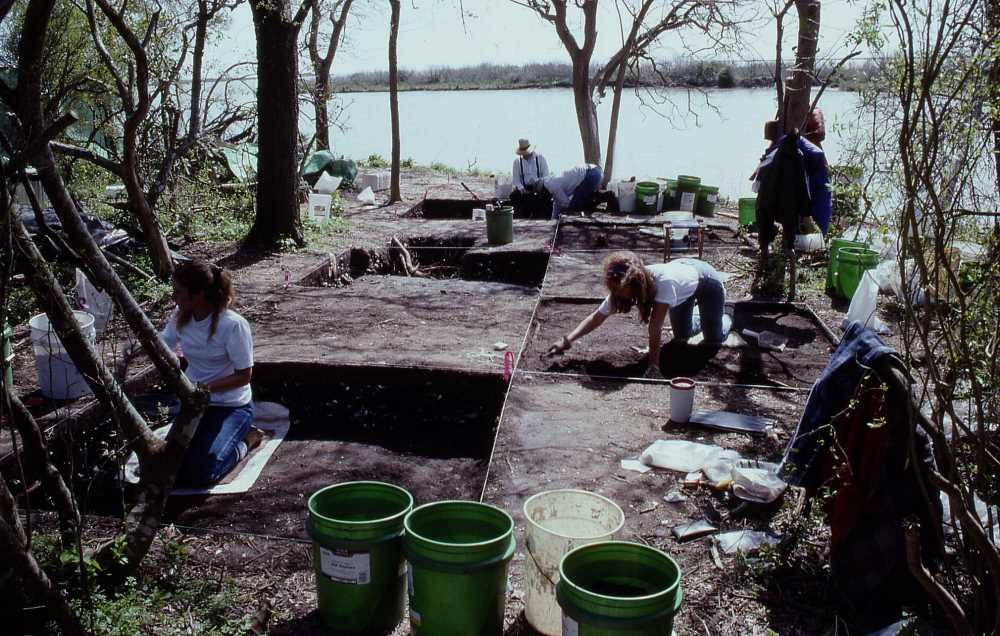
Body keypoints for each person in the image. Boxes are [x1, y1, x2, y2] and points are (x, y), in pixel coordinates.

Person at [547, 251, 732, 377]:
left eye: (620, 291)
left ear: (636, 284)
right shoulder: (623, 287)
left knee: (713, 339)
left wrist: (653, 365)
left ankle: (728, 316)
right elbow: (597, 317)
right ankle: (704, 316)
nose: (617, 295)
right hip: (683, 284)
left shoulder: (663, 284)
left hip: (707, 282)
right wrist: (567, 340)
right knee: (682, 336)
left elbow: (655, 327)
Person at [160, 260, 259, 486]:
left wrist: (205, 389)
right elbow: (163, 344)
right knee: (171, 465)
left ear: (198, 294)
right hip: (195, 403)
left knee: (201, 472)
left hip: (231, 406)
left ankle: (247, 440)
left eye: (178, 292)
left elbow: (244, 375)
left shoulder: (233, 325)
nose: (174, 297)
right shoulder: (181, 315)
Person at [538, 163, 603, 220]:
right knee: (578, 204)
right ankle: (601, 197)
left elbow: (566, 204)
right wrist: (553, 221)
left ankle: (605, 196)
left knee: (575, 207)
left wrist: (556, 220)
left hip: (590, 174)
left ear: (544, 190)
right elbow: (557, 205)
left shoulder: (552, 186)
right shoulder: (551, 182)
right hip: (594, 171)